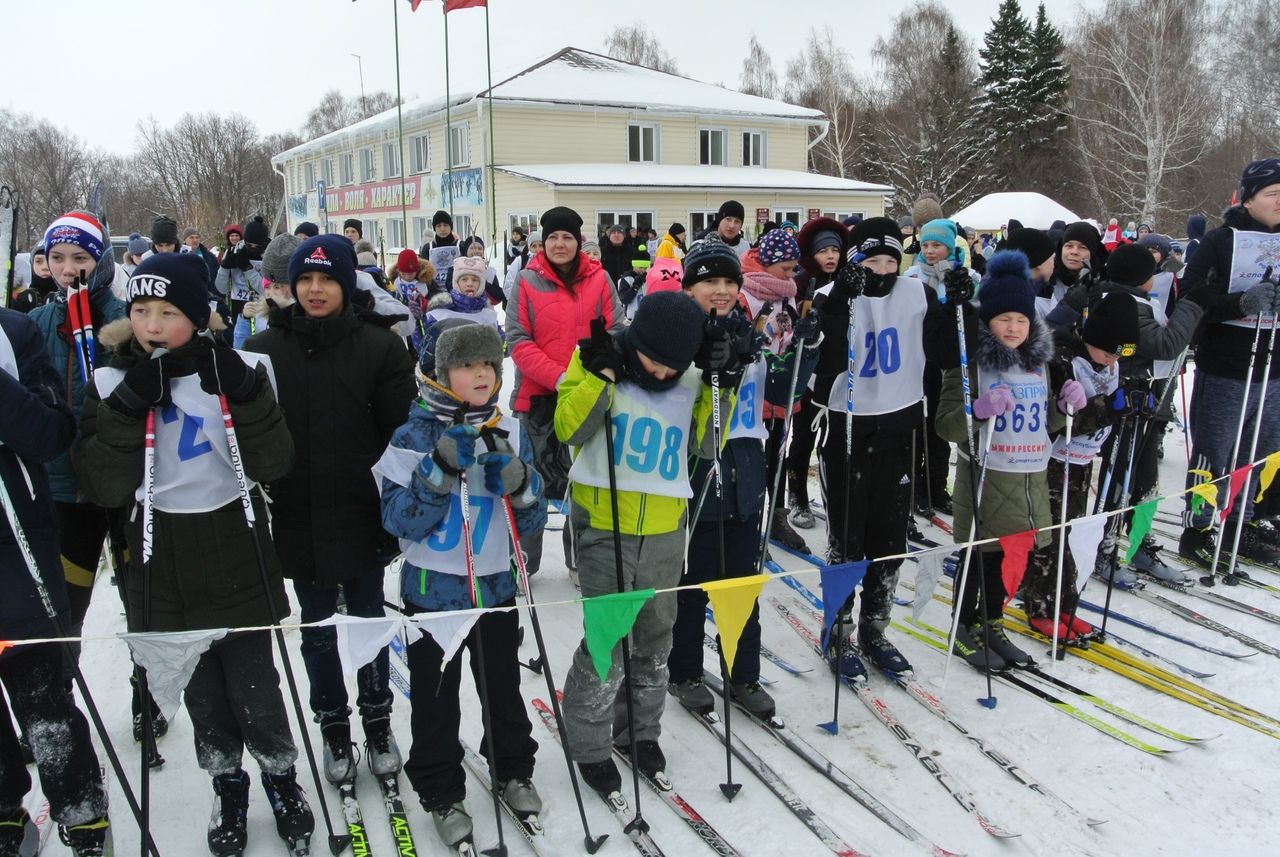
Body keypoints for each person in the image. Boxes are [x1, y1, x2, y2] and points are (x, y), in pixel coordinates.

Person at [76, 253, 312, 855]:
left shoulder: (239, 367)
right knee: (202, 692)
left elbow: (275, 462)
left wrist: (247, 392)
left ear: (199, 314)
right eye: (141, 310)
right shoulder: (108, 381)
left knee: (256, 686)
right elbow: (101, 485)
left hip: (234, 541)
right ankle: (226, 781)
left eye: (169, 312)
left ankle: (281, 777)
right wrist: (128, 407)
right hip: (163, 556)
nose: (152, 324)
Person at [243, 235, 417, 789]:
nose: (316, 290)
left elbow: (400, 431)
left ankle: (378, 719)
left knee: (366, 620)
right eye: (306, 280)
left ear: (346, 284)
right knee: (317, 629)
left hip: (361, 510)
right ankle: (334, 725)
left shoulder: (380, 347)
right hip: (296, 512)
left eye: (327, 279)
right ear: (291, 286)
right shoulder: (265, 349)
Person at [376, 323, 545, 848]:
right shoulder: (413, 435)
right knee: (435, 701)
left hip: (494, 588)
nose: (482, 375)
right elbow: (396, 521)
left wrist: (522, 488)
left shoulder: (508, 429)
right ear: (440, 373)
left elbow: (534, 522)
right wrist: (439, 469)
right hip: (433, 594)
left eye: (490, 365)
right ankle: (441, 791)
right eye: (468, 365)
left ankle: (512, 768)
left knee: (503, 689)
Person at [556, 291, 731, 794]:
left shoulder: (693, 378)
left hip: (664, 528)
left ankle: (640, 732)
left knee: (656, 635)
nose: (660, 375)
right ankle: (588, 741)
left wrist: (725, 382)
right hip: (604, 525)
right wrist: (599, 378)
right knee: (608, 635)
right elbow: (570, 429)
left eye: (671, 368)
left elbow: (707, 442)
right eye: (652, 363)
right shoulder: (597, 356)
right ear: (635, 342)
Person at [28, 213, 163, 742]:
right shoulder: (37, 322)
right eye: (57, 258)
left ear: (101, 260)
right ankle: (58, 704)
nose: (67, 269)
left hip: (123, 486)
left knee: (140, 598)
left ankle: (146, 696)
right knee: (64, 604)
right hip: (62, 489)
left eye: (80, 258)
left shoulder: (126, 318)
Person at [812, 217, 962, 677]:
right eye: (871, 260)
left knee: (889, 537)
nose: (881, 269)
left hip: (898, 425)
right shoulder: (830, 296)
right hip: (848, 426)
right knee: (848, 537)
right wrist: (841, 300)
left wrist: (960, 306)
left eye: (890, 260)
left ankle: (875, 627)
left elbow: (946, 352)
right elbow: (822, 372)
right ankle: (837, 630)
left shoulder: (916, 293)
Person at [0, 304, 110, 857]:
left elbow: (52, 432)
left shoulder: (12, 332)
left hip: (15, 543)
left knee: (43, 697)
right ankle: (4, 810)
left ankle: (82, 814)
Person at [938, 250, 1066, 670]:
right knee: (979, 558)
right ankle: (964, 625)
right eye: (1004, 319)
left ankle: (992, 622)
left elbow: (1045, 422)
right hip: (986, 480)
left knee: (1009, 560)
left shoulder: (1039, 365)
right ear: (987, 321)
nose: (1013, 328)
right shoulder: (970, 363)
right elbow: (945, 425)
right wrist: (976, 411)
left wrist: (1066, 406)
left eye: (1022, 320)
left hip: (1029, 482)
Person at [667, 239, 775, 718]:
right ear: (689, 287)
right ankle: (685, 670)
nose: (723, 289)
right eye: (710, 281)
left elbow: (786, 387)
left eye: (730, 281)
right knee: (690, 588)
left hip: (744, 477)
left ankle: (742, 673)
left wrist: (809, 346)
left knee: (741, 587)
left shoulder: (748, 334)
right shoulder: (672, 337)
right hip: (695, 480)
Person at [506, 207, 623, 581]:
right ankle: (524, 559)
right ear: (543, 242)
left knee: (584, 483)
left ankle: (582, 560)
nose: (560, 244)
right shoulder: (526, 281)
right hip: (538, 398)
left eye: (567, 237)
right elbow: (518, 340)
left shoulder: (600, 278)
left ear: (578, 241)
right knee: (531, 485)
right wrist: (560, 378)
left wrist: (594, 374)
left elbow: (617, 329)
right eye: (553, 237)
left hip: (589, 398)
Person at [1177, 158, 1280, 569]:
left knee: (1262, 449)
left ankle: (1244, 520)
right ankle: (1198, 528)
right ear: (1249, 198)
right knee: (1214, 449)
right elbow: (1191, 294)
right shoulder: (1220, 240)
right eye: (1273, 195)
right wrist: (1240, 302)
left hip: (1274, 367)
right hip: (1226, 364)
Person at [1025, 290, 1139, 639]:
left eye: (1121, 353)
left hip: (1081, 462)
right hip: (1050, 460)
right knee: (1048, 535)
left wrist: (1133, 404)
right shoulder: (1060, 359)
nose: (1113, 359)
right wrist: (1110, 407)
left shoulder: (1107, 362)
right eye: (1108, 350)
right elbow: (1061, 418)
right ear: (1091, 338)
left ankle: (1063, 605)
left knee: (1069, 533)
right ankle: (1039, 607)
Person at [740, 228, 819, 550]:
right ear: (767, 262)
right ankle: (748, 521)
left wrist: (805, 335)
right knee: (749, 463)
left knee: (777, 458)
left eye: (793, 269)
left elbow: (789, 336)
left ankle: (776, 518)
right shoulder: (745, 291)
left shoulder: (789, 294)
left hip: (781, 391)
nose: (791, 274)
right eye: (786, 267)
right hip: (750, 394)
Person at [786, 217, 848, 528]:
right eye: (824, 250)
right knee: (803, 438)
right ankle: (795, 494)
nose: (831, 256)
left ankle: (833, 492)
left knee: (835, 441)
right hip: (809, 375)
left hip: (839, 375)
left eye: (834, 250)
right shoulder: (802, 283)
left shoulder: (849, 281)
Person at [215, 219, 268, 349]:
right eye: (250, 245)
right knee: (240, 347)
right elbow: (220, 289)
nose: (253, 249)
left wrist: (248, 269)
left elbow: (266, 289)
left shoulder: (267, 255)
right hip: (238, 305)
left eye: (257, 246)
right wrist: (224, 267)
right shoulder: (234, 250)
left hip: (262, 307)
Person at [424, 256, 501, 333]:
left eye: (475, 280)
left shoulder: (489, 315)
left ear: (482, 284)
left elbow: (499, 342)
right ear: (456, 282)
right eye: (464, 279)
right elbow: (427, 341)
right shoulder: (439, 314)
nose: (470, 284)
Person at [503, 231, 541, 300]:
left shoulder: (549, 262)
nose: (538, 250)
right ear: (529, 247)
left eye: (541, 246)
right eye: (534, 246)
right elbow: (509, 284)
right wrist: (518, 303)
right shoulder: (521, 260)